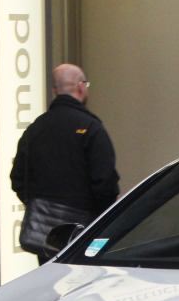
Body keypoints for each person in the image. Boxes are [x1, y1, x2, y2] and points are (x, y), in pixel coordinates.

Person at [11, 64, 119, 264]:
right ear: (81, 87)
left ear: (55, 91)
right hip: (83, 230)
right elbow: (105, 182)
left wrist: (38, 205)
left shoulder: (36, 129)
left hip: (44, 234)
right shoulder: (91, 128)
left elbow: (17, 178)